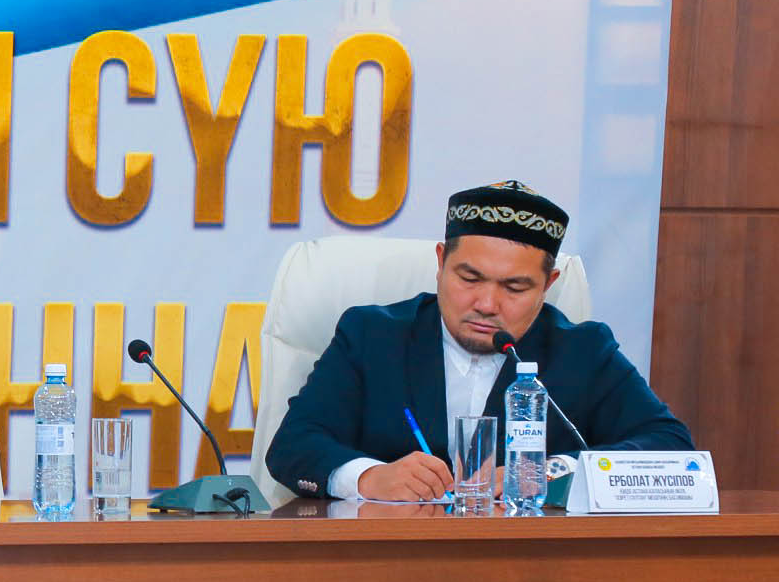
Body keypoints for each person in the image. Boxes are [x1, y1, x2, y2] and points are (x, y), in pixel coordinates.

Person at [268, 180, 693, 501]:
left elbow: (670, 448)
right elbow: (293, 444)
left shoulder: (583, 351)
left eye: (515, 287)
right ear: (440, 263)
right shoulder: (372, 335)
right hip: (390, 561)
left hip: (527, 570)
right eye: (469, 279)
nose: (487, 304)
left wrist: (544, 472)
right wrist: (368, 477)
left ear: (548, 285)